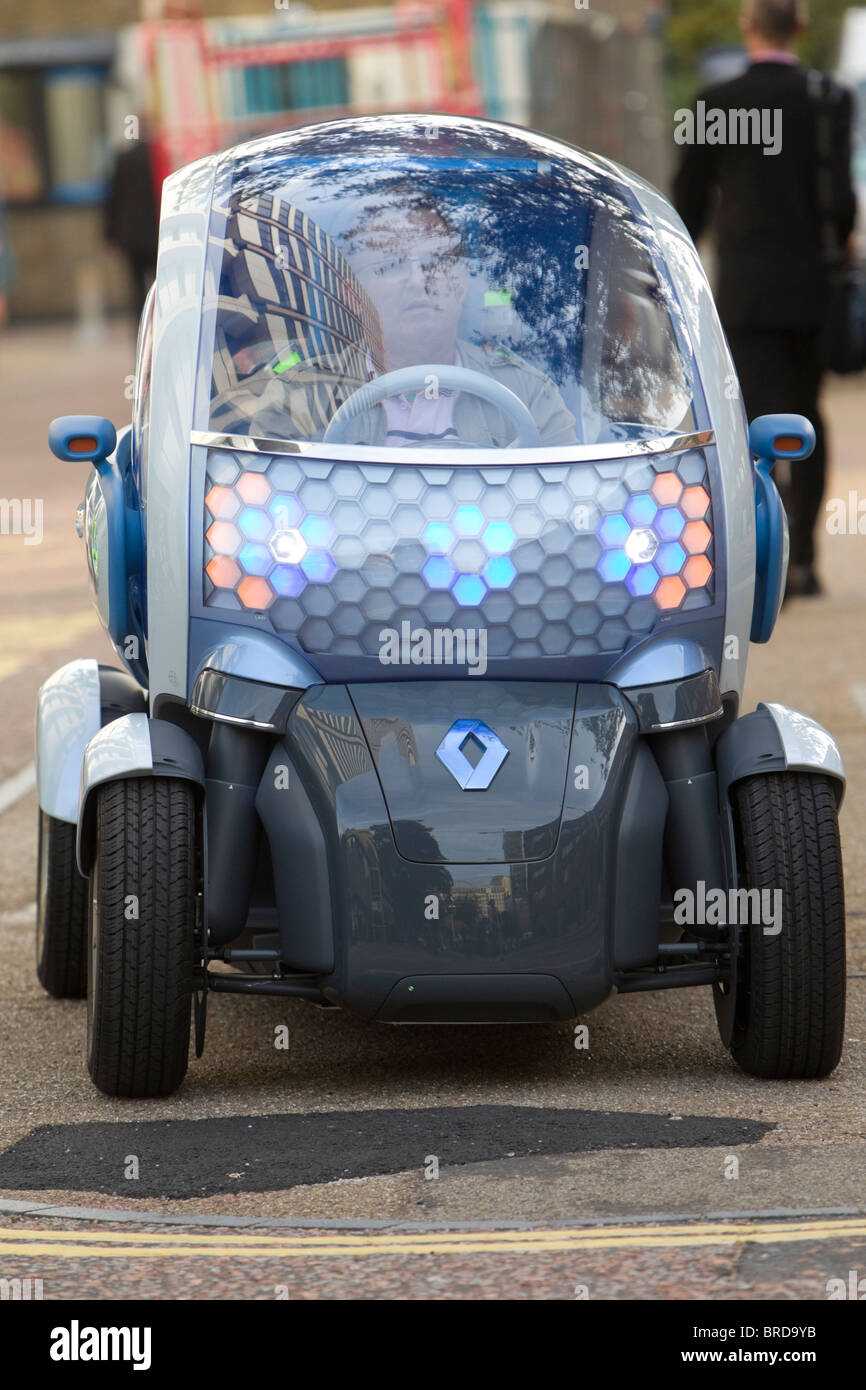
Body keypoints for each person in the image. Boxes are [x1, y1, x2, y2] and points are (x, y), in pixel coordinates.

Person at [673, 0, 857, 597]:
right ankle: (804, 559)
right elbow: (842, 200)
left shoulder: (714, 104)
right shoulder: (828, 99)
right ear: (800, 28)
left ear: (747, 27)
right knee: (807, 413)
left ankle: (759, 557)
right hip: (812, 288)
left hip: (746, 291)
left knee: (750, 423)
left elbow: (688, 203)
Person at [104, 136, 160, 323]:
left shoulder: (124, 158)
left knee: (136, 288)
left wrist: (109, 234)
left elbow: (113, 198)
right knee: (159, 282)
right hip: (156, 232)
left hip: (131, 236)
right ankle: (159, 323)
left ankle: (141, 326)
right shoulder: (156, 158)